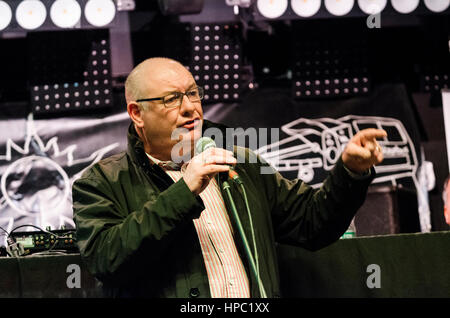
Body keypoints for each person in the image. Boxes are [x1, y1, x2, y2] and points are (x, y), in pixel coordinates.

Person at [72, 57, 387, 298]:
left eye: (193, 94)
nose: (190, 108)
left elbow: (313, 224)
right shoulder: (101, 182)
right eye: (171, 99)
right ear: (137, 113)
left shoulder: (241, 163)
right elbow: (107, 260)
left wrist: (350, 172)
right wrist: (184, 192)